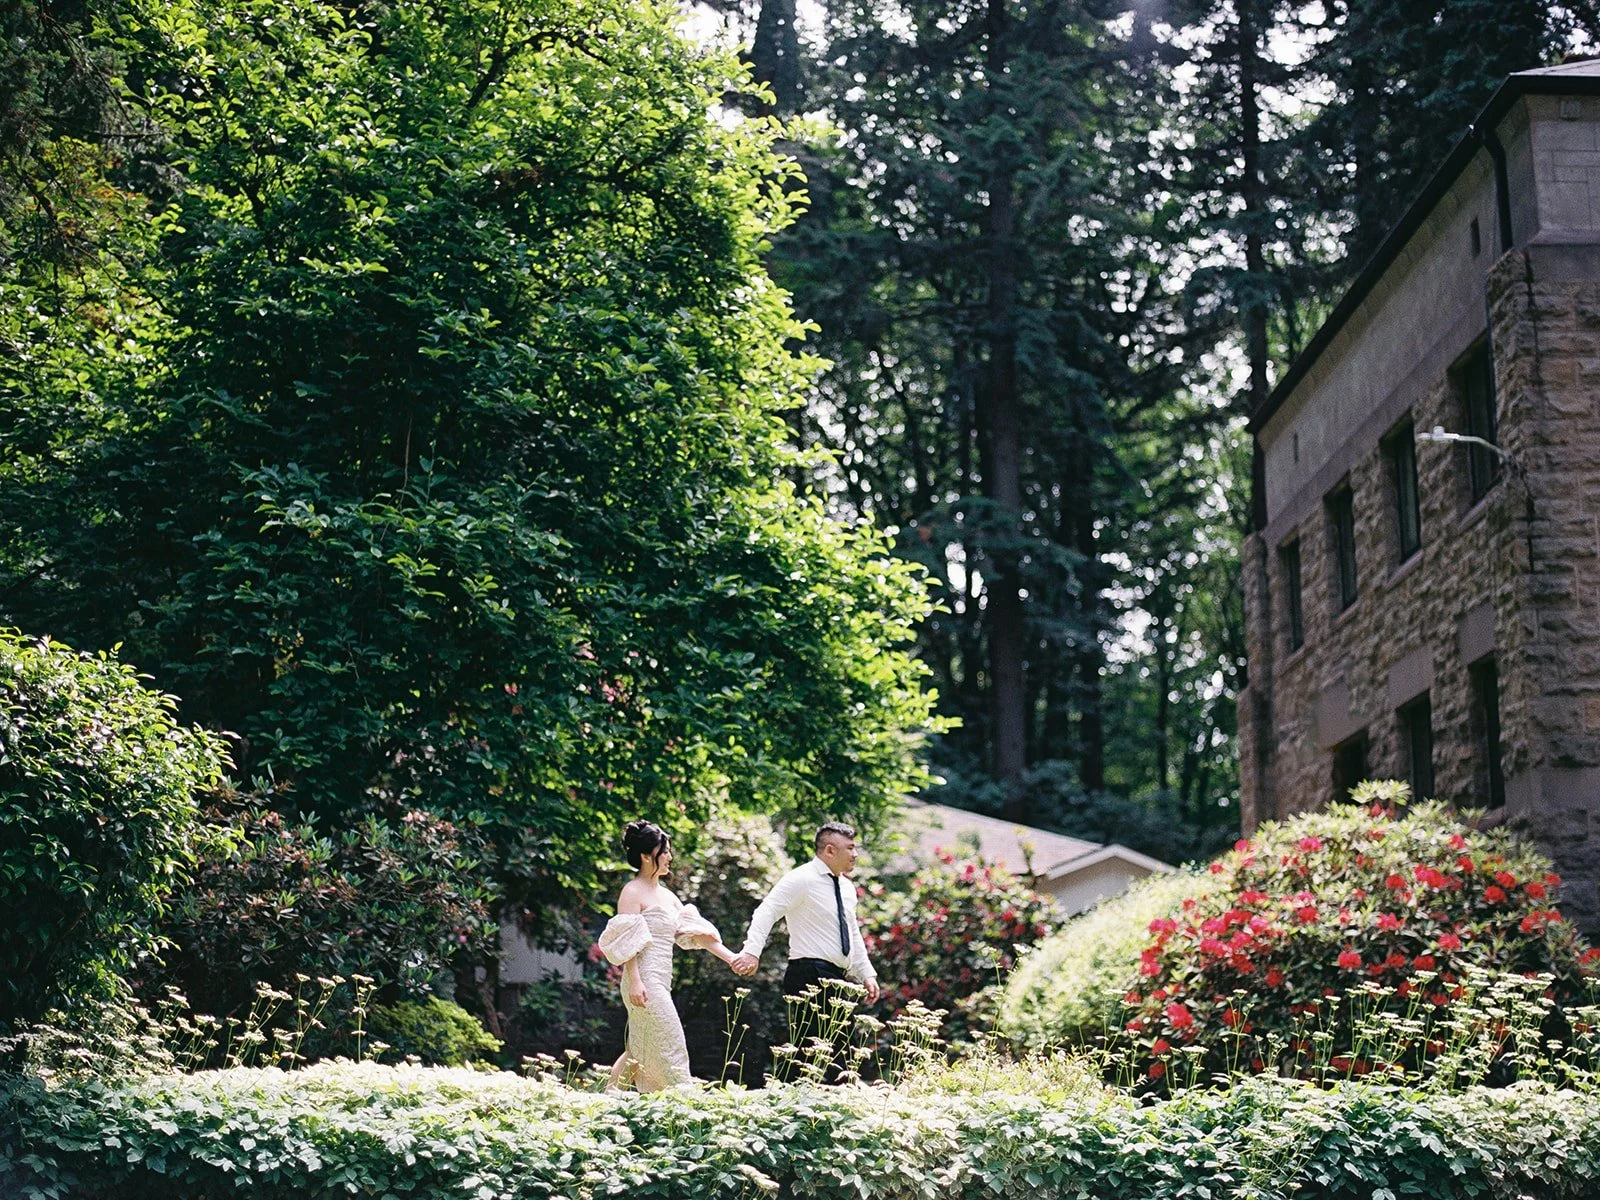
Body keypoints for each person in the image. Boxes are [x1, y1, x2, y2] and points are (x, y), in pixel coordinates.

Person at [597, 820, 739, 1091]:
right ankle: (681, 1100)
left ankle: (609, 1100)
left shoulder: (669, 897)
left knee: (640, 1046)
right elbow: (628, 941)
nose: (670, 857)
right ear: (646, 856)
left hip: (662, 978)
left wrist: (732, 958)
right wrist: (635, 981)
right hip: (643, 979)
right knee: (671, 1041)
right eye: (665, 851)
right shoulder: (632, 891)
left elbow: (695, 934)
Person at [731, 822, 879, 1079]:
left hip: (837, 976)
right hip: (808, 972)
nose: (855, 854)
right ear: (830, 851)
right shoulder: (801, 879)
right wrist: (751, 951)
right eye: (850, 848)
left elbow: (852, 931)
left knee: (834, 1052)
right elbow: (767, 911)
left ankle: (824, 1106)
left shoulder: (846, 887)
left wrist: (866, 972)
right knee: (822, 1053)